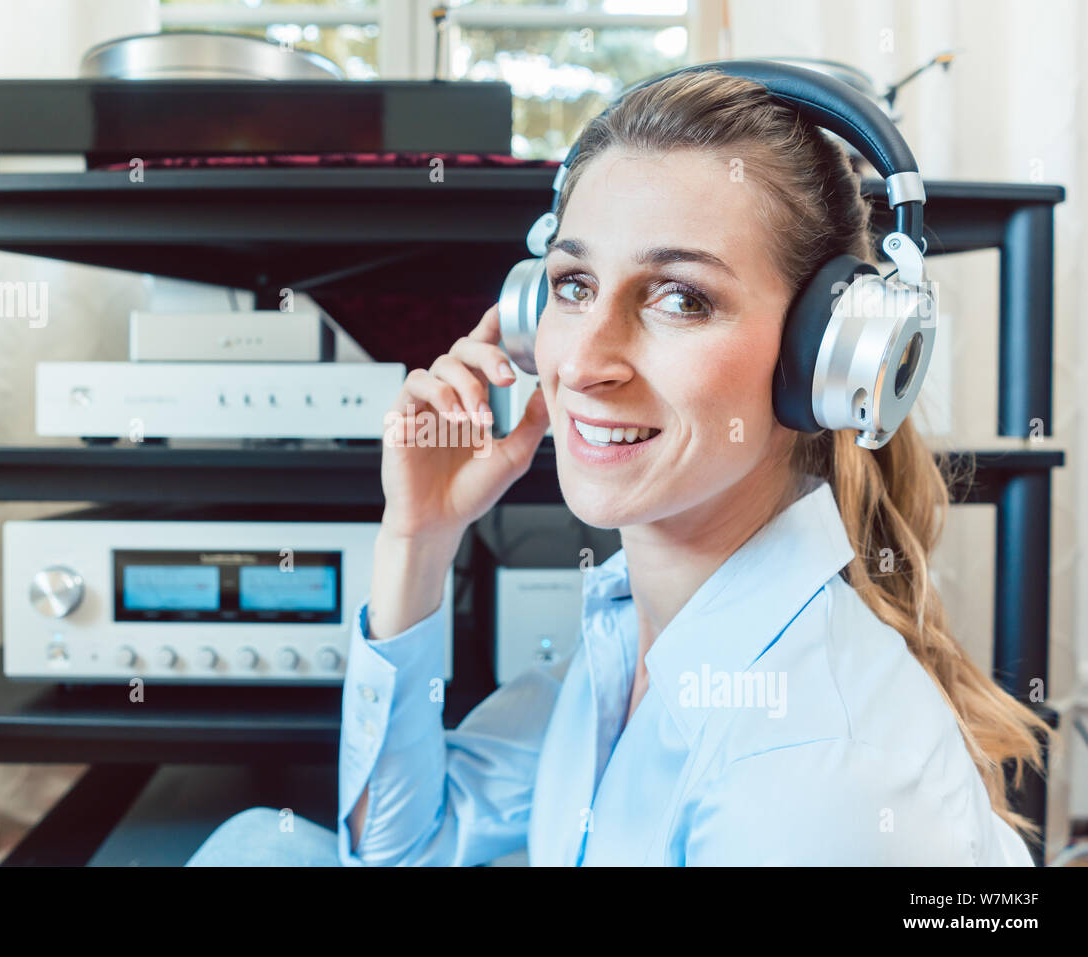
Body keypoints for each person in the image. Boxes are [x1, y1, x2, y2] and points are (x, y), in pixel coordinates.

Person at [187, 67, 1053, 868]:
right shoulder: (630, 630)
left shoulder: (811, 776)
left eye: (680, 297)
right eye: (572, 285)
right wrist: (418, 537)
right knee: (258, 845)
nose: (585, 360)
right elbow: (401, 843)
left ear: (820, 362)